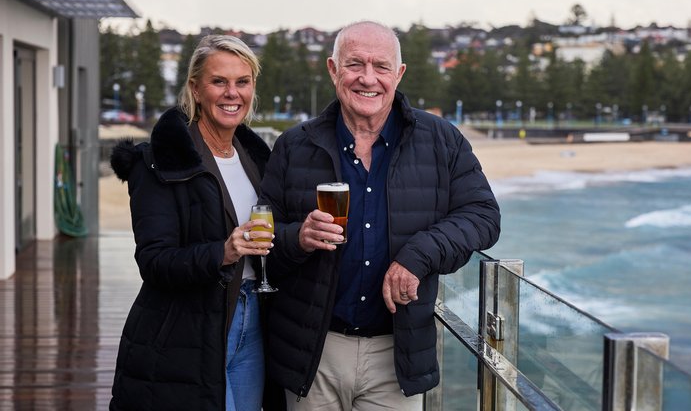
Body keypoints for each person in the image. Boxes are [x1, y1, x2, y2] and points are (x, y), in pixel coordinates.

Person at [259, 21, 501, 409]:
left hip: (398, 356)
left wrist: (418, 256)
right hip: (313, 354)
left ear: (399, 74)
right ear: (333, 70)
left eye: (381, 66)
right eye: (354, 64)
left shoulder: (442, 140)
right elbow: (263, 244)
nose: (367, 78)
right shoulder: (293, 146)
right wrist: (298, 238)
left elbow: (483, 215)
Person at [109, 34, 282, 410]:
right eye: (219, 81)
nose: (231, 93)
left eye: (242, 82)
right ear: (195, 88)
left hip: (253, 320)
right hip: (189, 330)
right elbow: (154, 261)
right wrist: (223, 252)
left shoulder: (257, 159)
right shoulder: (158, 160)